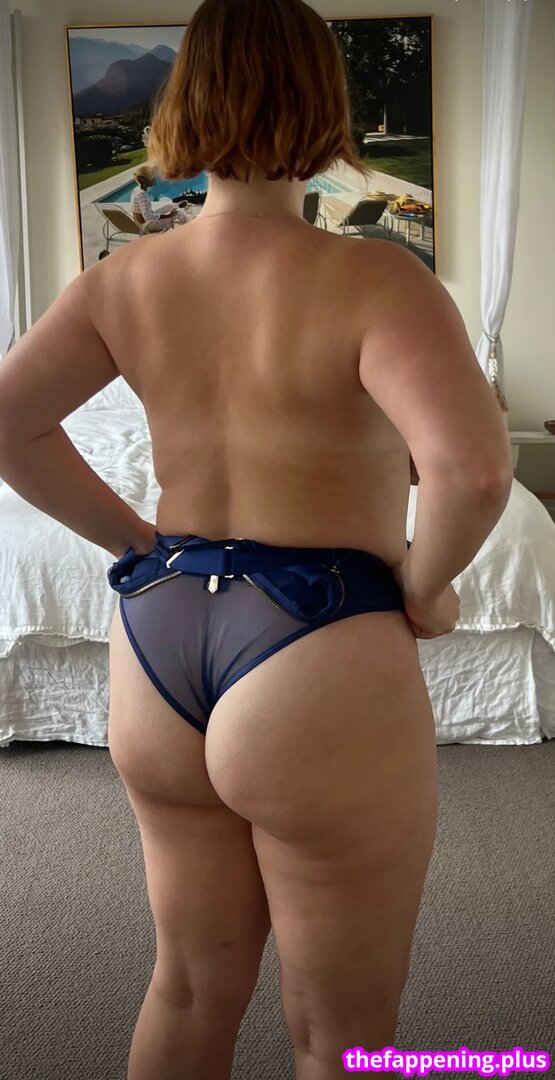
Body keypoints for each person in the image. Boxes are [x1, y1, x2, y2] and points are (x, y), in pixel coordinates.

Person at [0, 0, 514, 1077]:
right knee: (340, 1035)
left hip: (160, 637)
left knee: (187, 990)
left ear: (181, 104)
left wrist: (134, 539)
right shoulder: (377, 277)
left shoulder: (121, 280)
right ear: (326, 105)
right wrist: (425, 587)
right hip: (317, 641)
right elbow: (471, 471)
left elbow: (8, 422)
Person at [130, 162, 190, 233]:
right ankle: (192, 227)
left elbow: (146, 213)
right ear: (144, 180)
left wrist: (173, 207)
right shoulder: (141, 194)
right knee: (178, 213)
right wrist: (167, 216)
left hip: (143, 222)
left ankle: (178, 205)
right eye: (152, 177)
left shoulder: (137, 189)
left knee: (170, 206)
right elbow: (148, 217)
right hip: (147, 226)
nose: (154, 180)